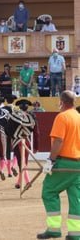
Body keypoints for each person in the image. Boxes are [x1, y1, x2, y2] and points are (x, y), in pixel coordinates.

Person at [37, 91, 80, 240]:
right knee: (76, 198)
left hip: (63, 162)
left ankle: (54, 229)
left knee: (49, 192)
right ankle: (75, 234)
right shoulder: (78, 117)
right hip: (78, 164)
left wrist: (51, 160)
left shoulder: (62, 117)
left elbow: (58, 141)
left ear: (62, 102)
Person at [6, 99, 37, 190]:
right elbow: (35, 131)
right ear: (27, 107)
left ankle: (27, 181)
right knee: (24, 163)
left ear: (19, 107)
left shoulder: (13, 116)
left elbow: (8, 130)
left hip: (17, 141)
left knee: (21, 163)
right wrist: (36, 146)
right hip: (27, 140)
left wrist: (12, 136)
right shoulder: (32, 116)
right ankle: (19, 182)